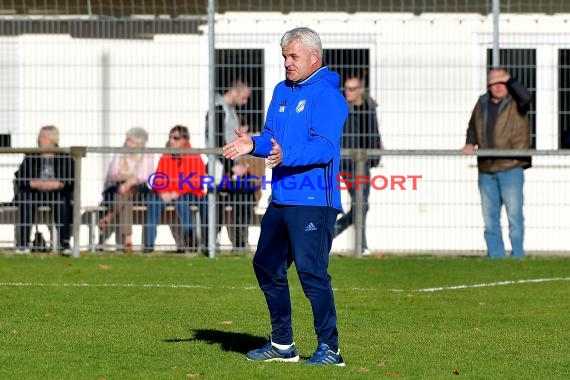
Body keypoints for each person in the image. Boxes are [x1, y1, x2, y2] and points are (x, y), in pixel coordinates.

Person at [223, 27, 348, 366]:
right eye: (284, 57)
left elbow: (324, 147)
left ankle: (330, 349)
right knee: (266, 265)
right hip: (281, 197)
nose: (287, 63)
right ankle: (282, 345)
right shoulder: (280, 90)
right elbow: (270, 139)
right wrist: (253, 144)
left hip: (314, 200)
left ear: (313, 57)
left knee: (312, 273)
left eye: (293, 57)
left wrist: (284, 154)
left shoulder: (329, 96)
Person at [462, 67, 532, 258]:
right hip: (486, 168)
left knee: (514, 216)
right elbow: (472, 126)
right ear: (488, 85)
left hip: (511, 166)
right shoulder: (482, 102)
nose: (498, 87)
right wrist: (469, 143)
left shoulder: (517, 102)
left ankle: (518, 255)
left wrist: (510, 80)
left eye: (502, 82)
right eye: (494, 83)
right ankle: (496, 256)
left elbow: (526, 97)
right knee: (489, 217)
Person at [334, 74, 383, 255]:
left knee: (361, 205)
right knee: (360, 204)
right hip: (347, 162)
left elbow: (374, 132)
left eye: (352, 89)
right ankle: (360, 246)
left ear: (361, 90)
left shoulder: (370, 107)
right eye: (346, 88)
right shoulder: (341, 109)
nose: (347, 92)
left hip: (364, 162)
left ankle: (355, 243)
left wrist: (376, 156)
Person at [143, 126, 206, 253]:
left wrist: (177, 192)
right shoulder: (165, 156)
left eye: (175, 138)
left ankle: (191, 242)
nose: (171, 141)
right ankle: (148, 246)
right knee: (153, 202)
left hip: (189, 194)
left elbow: (196, 182)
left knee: (182, 202)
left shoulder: (194, 156)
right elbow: (158, 180)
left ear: (185, 140)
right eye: (170, 138)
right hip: (168, 194)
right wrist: (163, 192)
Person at [14, 125, 74, 254]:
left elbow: (70, 179)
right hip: (35, 192)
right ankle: (23, 244)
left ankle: (65, 244)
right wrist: (34, 183)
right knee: (26, 200)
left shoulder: (64, 156)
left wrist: (58, 184)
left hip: (56, 192)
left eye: (42, 136)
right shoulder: (31, 156)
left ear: (52, 139)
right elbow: (21, 177)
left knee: (62, 200)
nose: (39, 139)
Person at [98, 127, 154, 253]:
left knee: (126, 192)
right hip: (119, 191)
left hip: (139, 191)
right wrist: (130, 179)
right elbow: (113, 174)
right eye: (127, 140)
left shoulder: (147, 154)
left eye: (130, 140)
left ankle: (109, 216)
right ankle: (128, 239)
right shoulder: (120, 152)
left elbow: (144, 176)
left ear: (140, 144)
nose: (126, 142)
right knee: (125, 200)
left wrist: (127, 182)